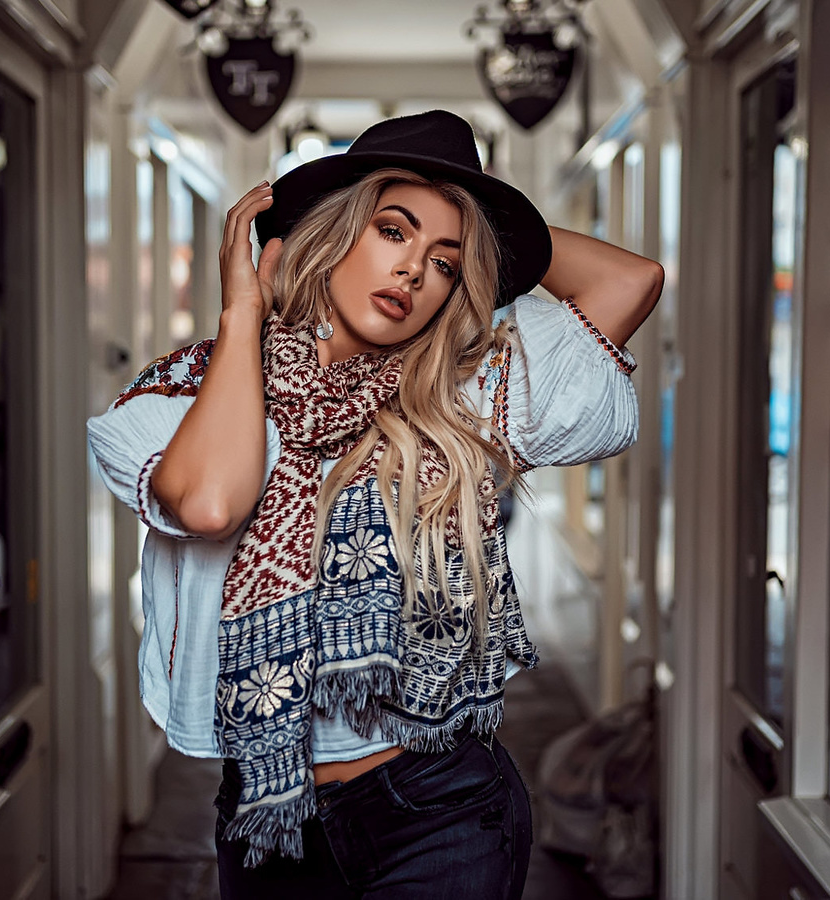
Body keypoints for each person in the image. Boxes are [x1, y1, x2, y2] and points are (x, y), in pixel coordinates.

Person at [88, 110, 662, 899]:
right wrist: (241, 315)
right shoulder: (185, 391)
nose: (415, 272)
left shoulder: (462, 396)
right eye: (392, 231)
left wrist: (488, 223)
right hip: (269, 813)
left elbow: (631, 282)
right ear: (334, 233)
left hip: (445, 809)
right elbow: (213, 502)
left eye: (447, 265)